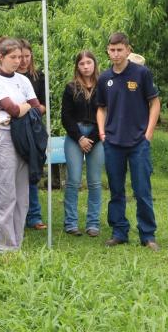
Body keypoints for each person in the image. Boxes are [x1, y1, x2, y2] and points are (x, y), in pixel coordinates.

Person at [96, 32, 161, 251]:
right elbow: (101, 108)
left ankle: (147, 234)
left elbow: (154, 103)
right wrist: (102, 133)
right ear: (108, 50)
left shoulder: (141, 73)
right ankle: (119, 231)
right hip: (113, 142)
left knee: (142, 190)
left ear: (128, 50)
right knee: (116, 190)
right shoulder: (105, 78)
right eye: (112, 50)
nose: (115, 54)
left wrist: (148, 134)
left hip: (138, 142)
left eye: (119, 50)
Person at [0, 39, 43, 252]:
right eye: (13, 57)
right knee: (4, 194)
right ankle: (3, 246)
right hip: (4, 138)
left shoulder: (23, 80)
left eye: (20, 57)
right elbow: (12, 109)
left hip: (24, 138)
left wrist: (24, 107)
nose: (18, 61)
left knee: (22, 196)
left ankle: (16, 242)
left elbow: (38, 108)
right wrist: (26, 106)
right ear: (1, 57)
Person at [61, 51, 103, 237]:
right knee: (74, 180)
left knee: (94, 182)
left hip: (97, 135)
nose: (85, 66)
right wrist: (79, 138)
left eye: (89, 62)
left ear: (94, 64)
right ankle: (71, 223)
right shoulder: (71, 88)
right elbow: (66, 116)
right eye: (82, 64)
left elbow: (105, 114)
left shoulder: (103, 86)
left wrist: (92, 138)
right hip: (74, 135)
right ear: (77, 67)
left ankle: (93, 223)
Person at [17, 40, 48, 231]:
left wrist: (30, 111)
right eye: (20, 57)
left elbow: (43, 105)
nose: (23, 61)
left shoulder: (38, 77)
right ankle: (18, 214)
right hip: (13, 127)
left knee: (32, 170)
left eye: (27, 56)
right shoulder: (7, 77)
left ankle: (34, 215)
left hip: (33, 127)